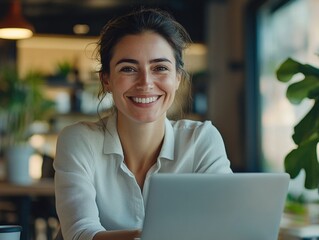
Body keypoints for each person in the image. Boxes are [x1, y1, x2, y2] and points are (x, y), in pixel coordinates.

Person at [53, 7, 232, 240]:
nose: (145, 82)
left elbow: (227, 226)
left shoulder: (202, 140)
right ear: (106, 79)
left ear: (177, 78)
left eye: (160, 68)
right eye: (128, 68)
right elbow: (80, 233)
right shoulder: (78, 140)